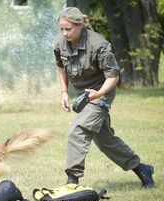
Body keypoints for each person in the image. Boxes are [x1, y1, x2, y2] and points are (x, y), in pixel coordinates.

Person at [53, 7, 155, 188]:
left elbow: (113, 76)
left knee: (78, 130)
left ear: (81, 25)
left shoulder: (99, 44)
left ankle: (72, 181)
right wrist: (64, 92)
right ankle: (141, 169)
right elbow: (61, 66)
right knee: (106, 141)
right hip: (84, 95)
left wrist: (98, 94)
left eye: (68, 29)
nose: (64, 33)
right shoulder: (60, 43)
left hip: (102, 92)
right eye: (61, 29)